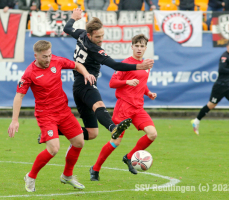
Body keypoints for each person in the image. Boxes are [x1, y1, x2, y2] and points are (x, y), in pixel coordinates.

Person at [8, 40, 96, 192]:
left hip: (63, 111)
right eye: (44, 57)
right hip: (46, 115)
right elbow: (19, 96)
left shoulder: (57, 61)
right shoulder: (29, 73)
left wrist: (86, 73)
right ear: (36, 56)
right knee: (54, 149)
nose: (48, 59)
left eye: (49, 55)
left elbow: (76, 65)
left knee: (79, 142)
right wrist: (14, 120)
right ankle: (31, 176)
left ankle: (67, 176)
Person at [63, 8, 154, 142]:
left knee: (92, 133)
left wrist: (73, 18)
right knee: (99, 104)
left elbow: (67, 28)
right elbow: (115, 65)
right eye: (97, 37)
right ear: (89, 35)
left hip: (78, 87)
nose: (100, 39)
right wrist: (139, 66)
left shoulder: (81, 34)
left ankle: (53, 131)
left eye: (102, 35)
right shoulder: (95, 49)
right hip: (85, 83)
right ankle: (113, 128)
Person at [89, 34, 158, 180]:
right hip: (124, 107)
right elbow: (112, 83)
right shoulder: (126, 64)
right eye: (136, 46)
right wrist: (126, 82)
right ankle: (95, 169)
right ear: (132, 47)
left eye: (142, 46)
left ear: (146, 48)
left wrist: (148, 92)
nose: (139, 49)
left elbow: (141, 82)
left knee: (152, 134)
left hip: (138, 108)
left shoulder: (146, 66)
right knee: (116, 142)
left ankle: (129, 157)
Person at [191, 40, 229, 135]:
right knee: (211, 105)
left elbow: (228, 69)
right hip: (220, 86)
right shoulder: (224, 56)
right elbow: (221, 69)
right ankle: (196, 121)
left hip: (227, 85)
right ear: (227, 47)